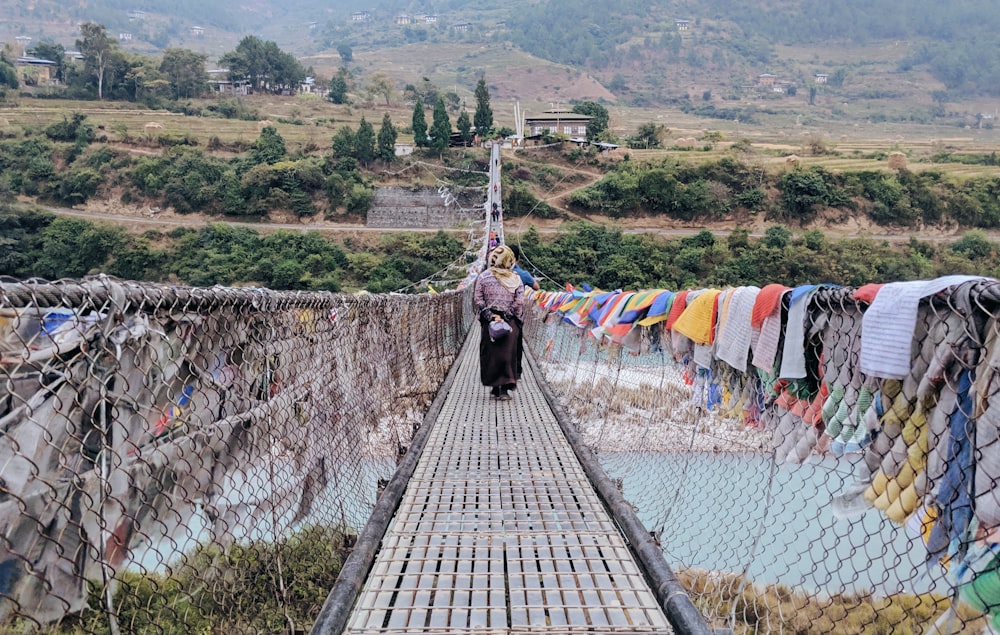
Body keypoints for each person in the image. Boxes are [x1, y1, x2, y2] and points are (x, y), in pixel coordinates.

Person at [474, 245, 525, 401]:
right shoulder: (516, 279)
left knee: (491, 354)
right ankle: (504, 389)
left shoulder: (483, 277)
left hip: (490, 323)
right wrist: (507, 316)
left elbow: (478, 299)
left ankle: (495, 387)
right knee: (508, 354)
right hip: (510, 323)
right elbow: (519, 301)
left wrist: (491, 316)